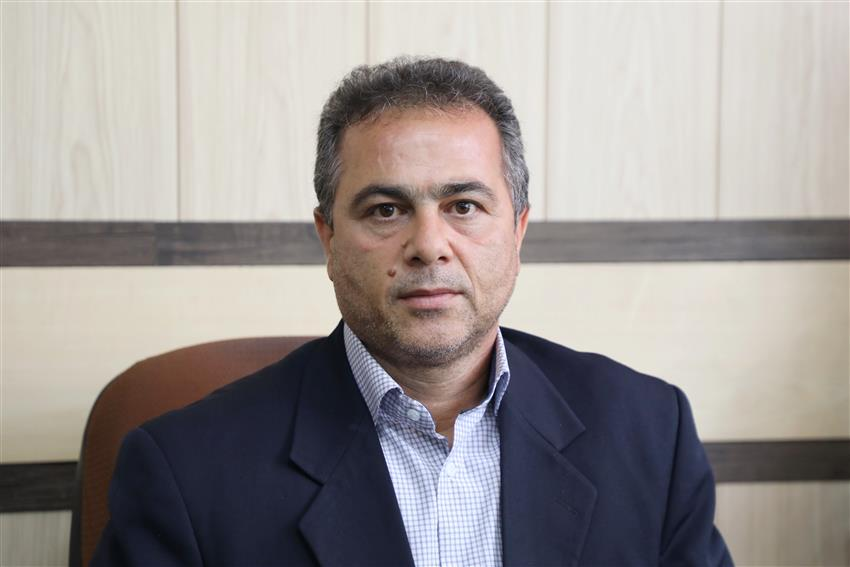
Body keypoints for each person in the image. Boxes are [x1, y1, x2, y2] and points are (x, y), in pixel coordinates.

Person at [93, 57, 733, 566]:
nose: (429, 245)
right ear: (328, 238)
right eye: (386, 210)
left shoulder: (651, 433)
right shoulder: (185, 469)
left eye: (463, 206)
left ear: (518, 230)